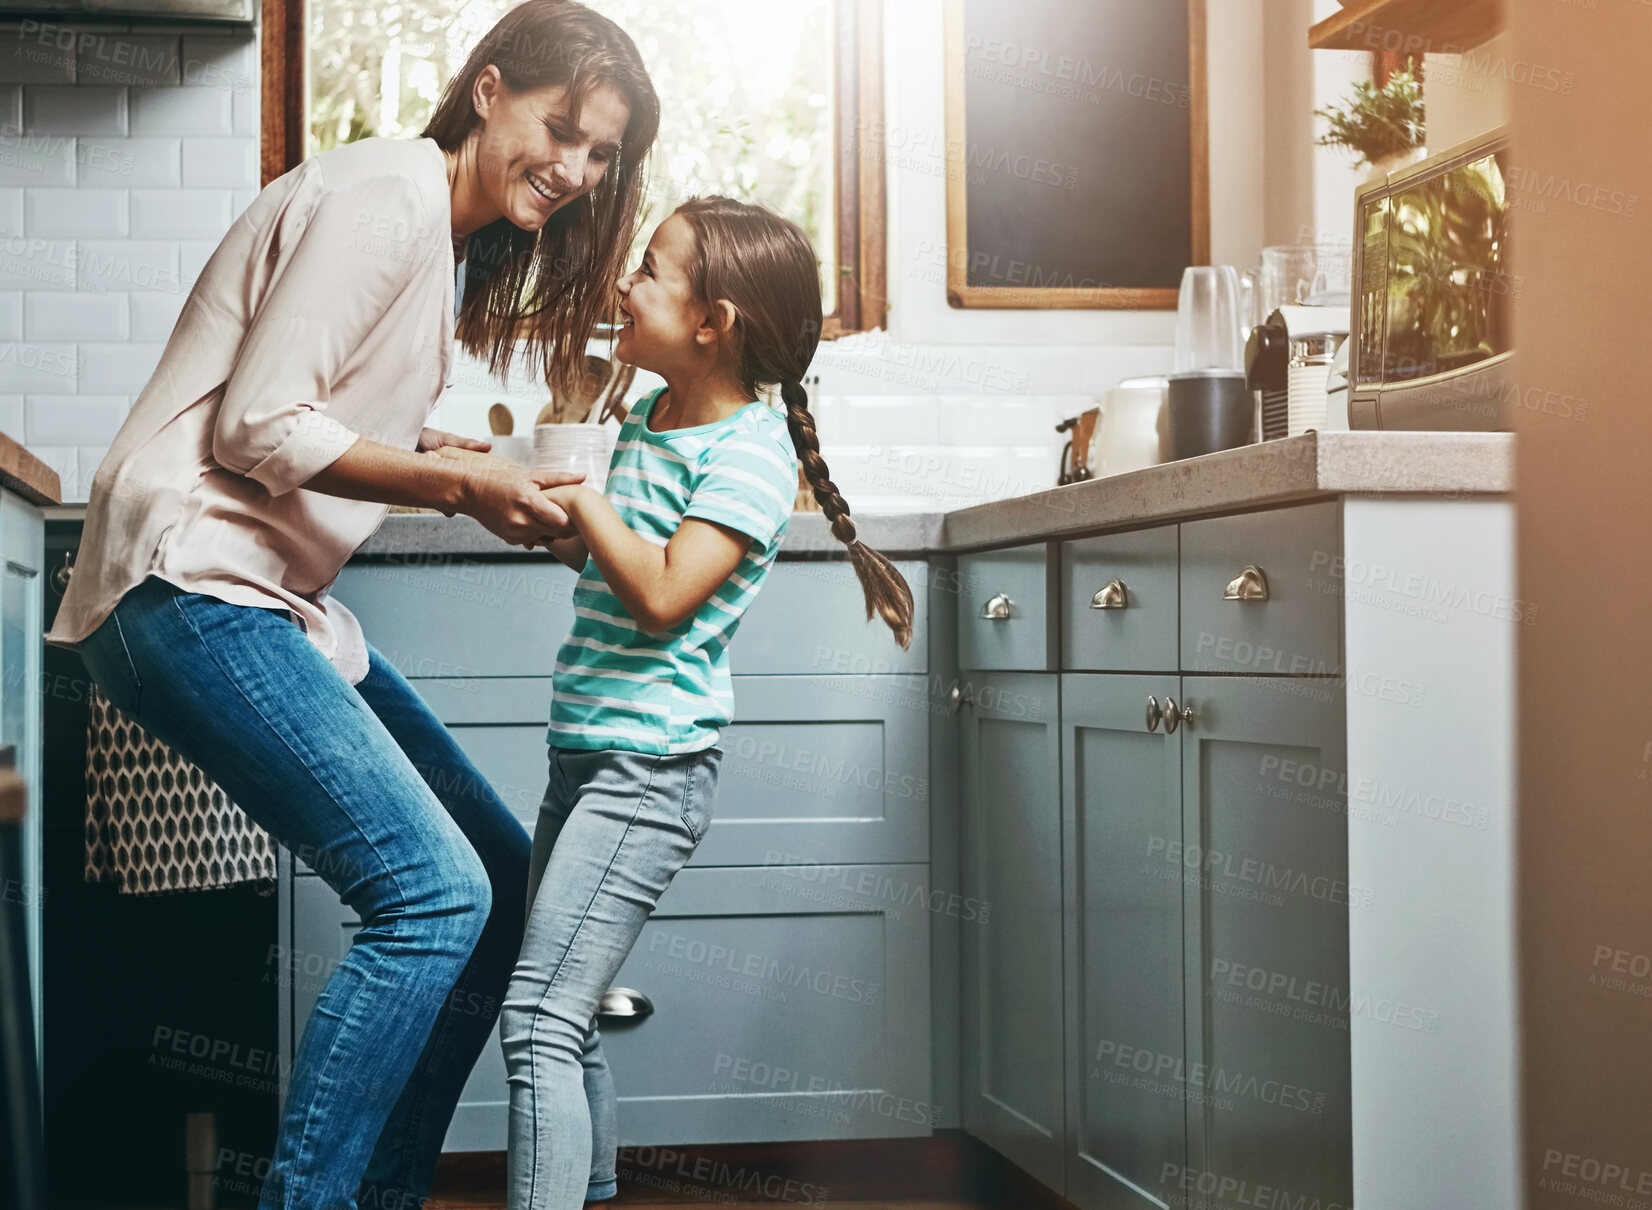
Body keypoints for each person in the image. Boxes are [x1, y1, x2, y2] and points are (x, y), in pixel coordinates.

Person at [44, 3, 659, 1207]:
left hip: (258, 595)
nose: (575, 171)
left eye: (600, 156)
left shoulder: (436, 234)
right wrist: (464, 477)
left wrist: (483, 474)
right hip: (191, 580)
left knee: (495, 881)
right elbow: (259, 423)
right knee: (433, 894)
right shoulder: (390, 192)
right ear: (487, 91)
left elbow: (333, 419)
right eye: (562, 128)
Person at [499, 196, 915, 1210]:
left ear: (710, 322)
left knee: (537, 1021)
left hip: (649, 773)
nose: (623, 285)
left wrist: (578, 492)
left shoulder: (751, 455)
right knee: (571, 1013)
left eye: (648, 270)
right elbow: (598, 553)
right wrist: (520, 491)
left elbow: (659, 595)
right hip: (585, 752)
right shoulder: (644, 418)